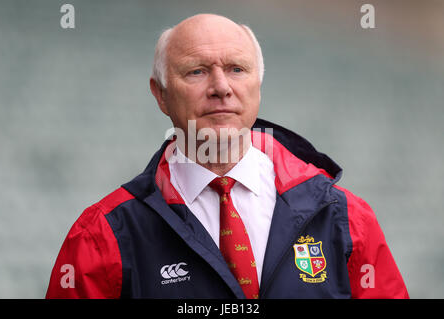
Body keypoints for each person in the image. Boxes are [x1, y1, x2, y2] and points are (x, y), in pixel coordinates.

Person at [46, 14, 409, 299]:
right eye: (197, 71)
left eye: (237, 69)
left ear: (258, 86)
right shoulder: (102, 235)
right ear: (161, 95)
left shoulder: (345, 219)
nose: (221, 87)